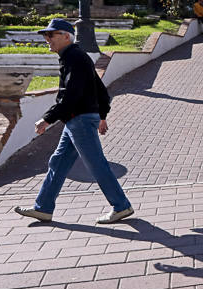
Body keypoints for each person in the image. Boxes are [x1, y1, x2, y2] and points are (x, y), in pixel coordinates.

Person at [15, 18, 134, 225]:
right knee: (58, 162)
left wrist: (47, 118)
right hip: (75, 120)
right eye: (45, 35)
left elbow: (71, 95)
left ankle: (121, 206)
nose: (47, 39)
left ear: (66, 36)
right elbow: (100, 90)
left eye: (51, 34)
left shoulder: (74, 58)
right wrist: (102, 115)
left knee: (96, 164)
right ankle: (43, 208)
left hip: (79, 120)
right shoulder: (75, 57)